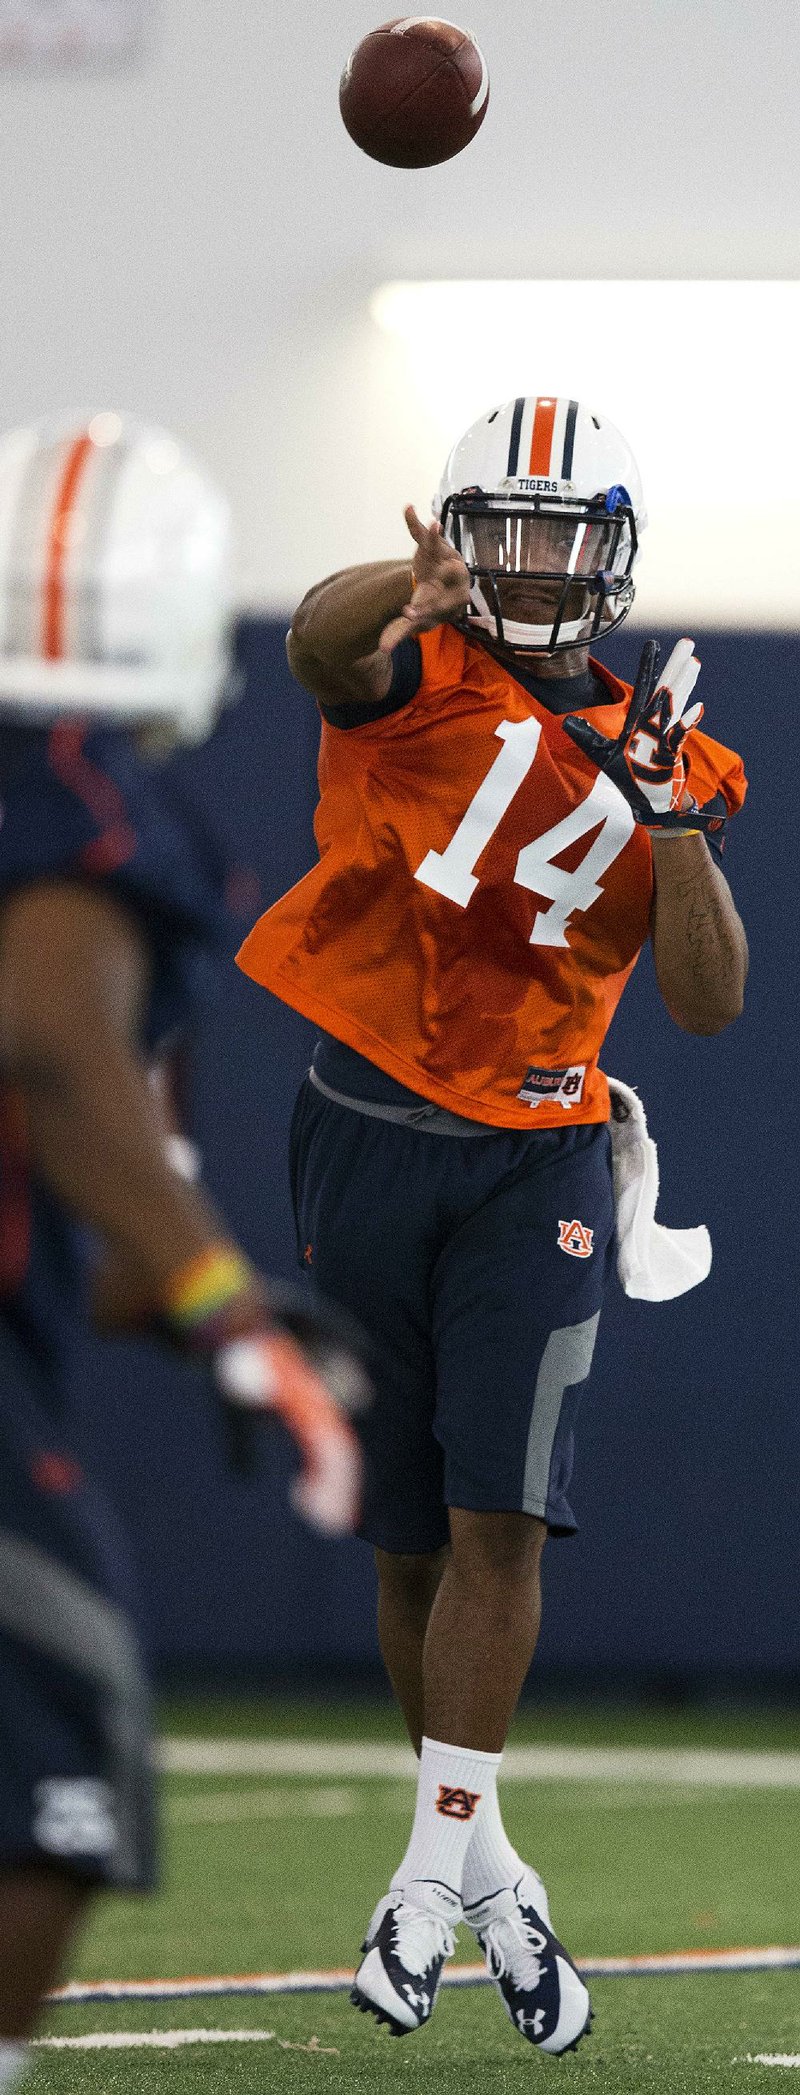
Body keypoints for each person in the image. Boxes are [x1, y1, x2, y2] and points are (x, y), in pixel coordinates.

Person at [237, 393, 748, 2055]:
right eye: (500, 532)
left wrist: (668, 820)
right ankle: (489, 1865)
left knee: (499, 1521)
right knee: (408, 1544)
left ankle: (419, 1879)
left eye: (560, 537)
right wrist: (391, 598)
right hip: (366, 1132)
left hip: (539, 1157)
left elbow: (710, 999)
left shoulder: (670, 752)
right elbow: (321, 651)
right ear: (464, 537)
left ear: (609, 561)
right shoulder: (417, 669)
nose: (529, 567)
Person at [0, 413, 364, 2090]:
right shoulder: (81, 799)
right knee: (57, 1786)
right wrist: (231, 1315)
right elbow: (52, 1046)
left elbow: (95, 1206)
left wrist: (229, 1303)